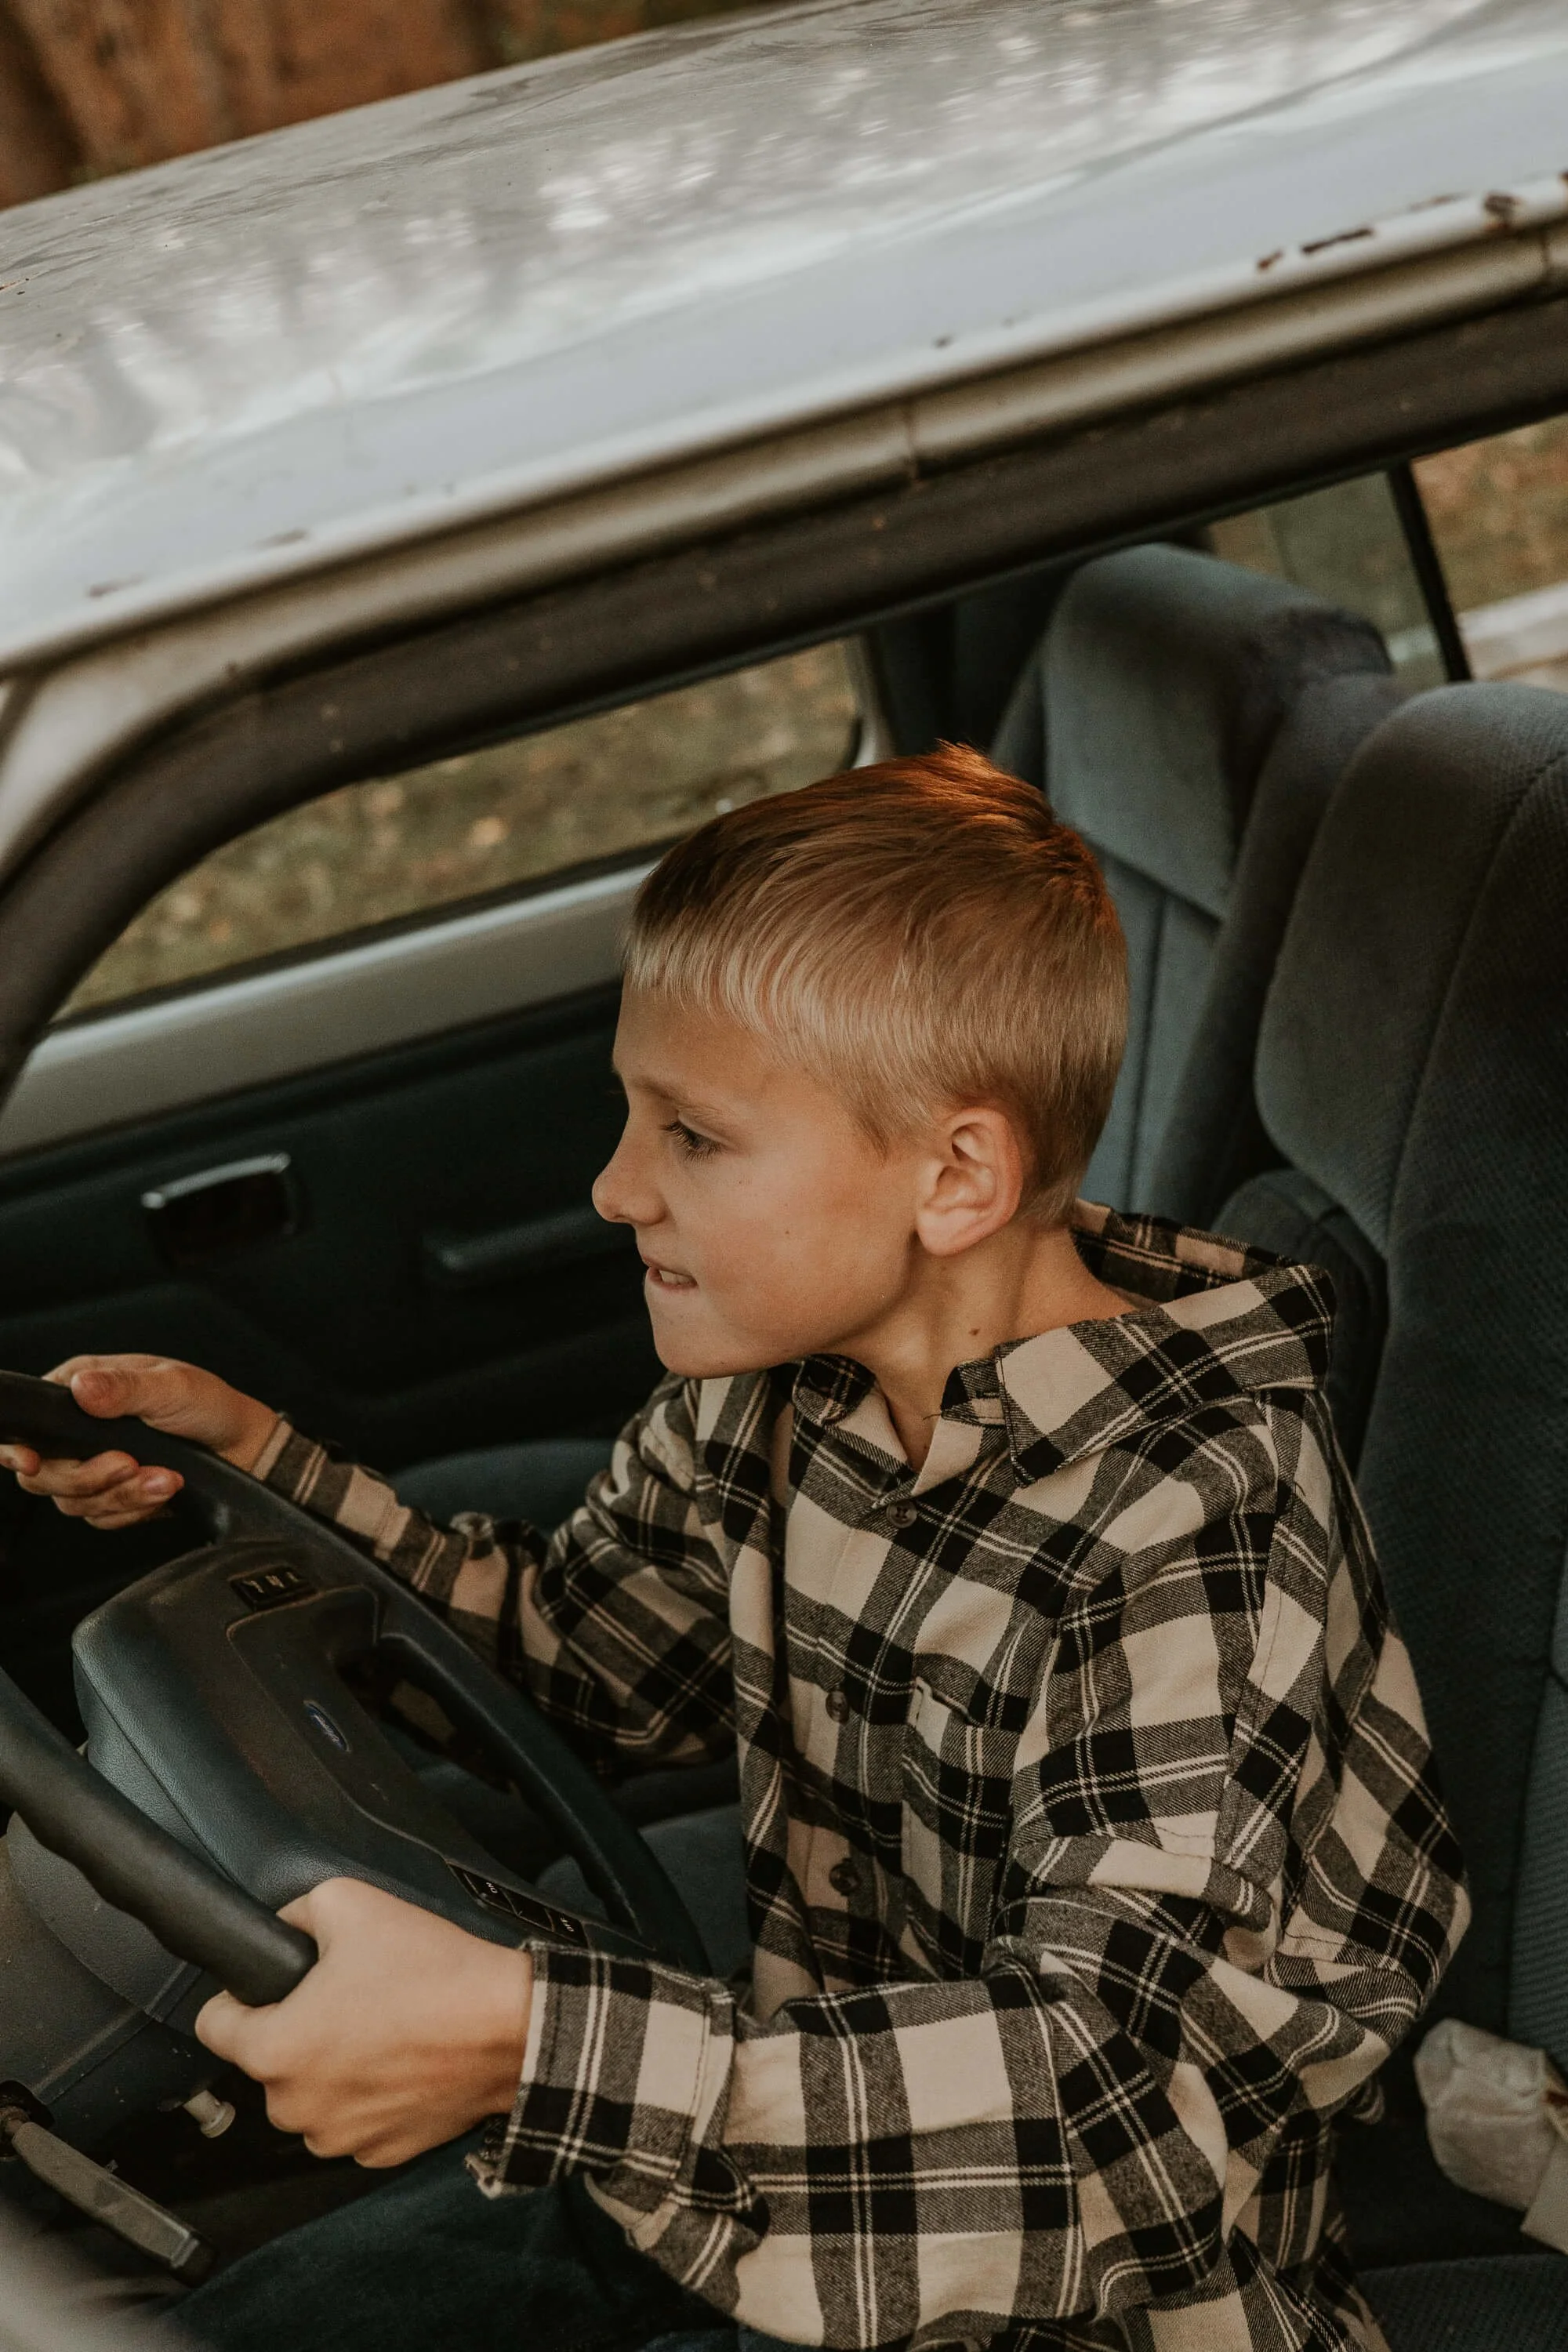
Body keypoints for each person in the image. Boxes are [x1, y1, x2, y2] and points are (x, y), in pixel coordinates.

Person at [0, 750, 1465, 2352]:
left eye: (691, 1136)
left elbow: (1121, 2113)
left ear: (953, 1178)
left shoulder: (1198, 1523)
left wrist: (540, 2050)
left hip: (1097, 2304)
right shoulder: (787, 1396)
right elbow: (583, 1662)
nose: (614, 1188)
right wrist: (266, 1474)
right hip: (796, 2147)